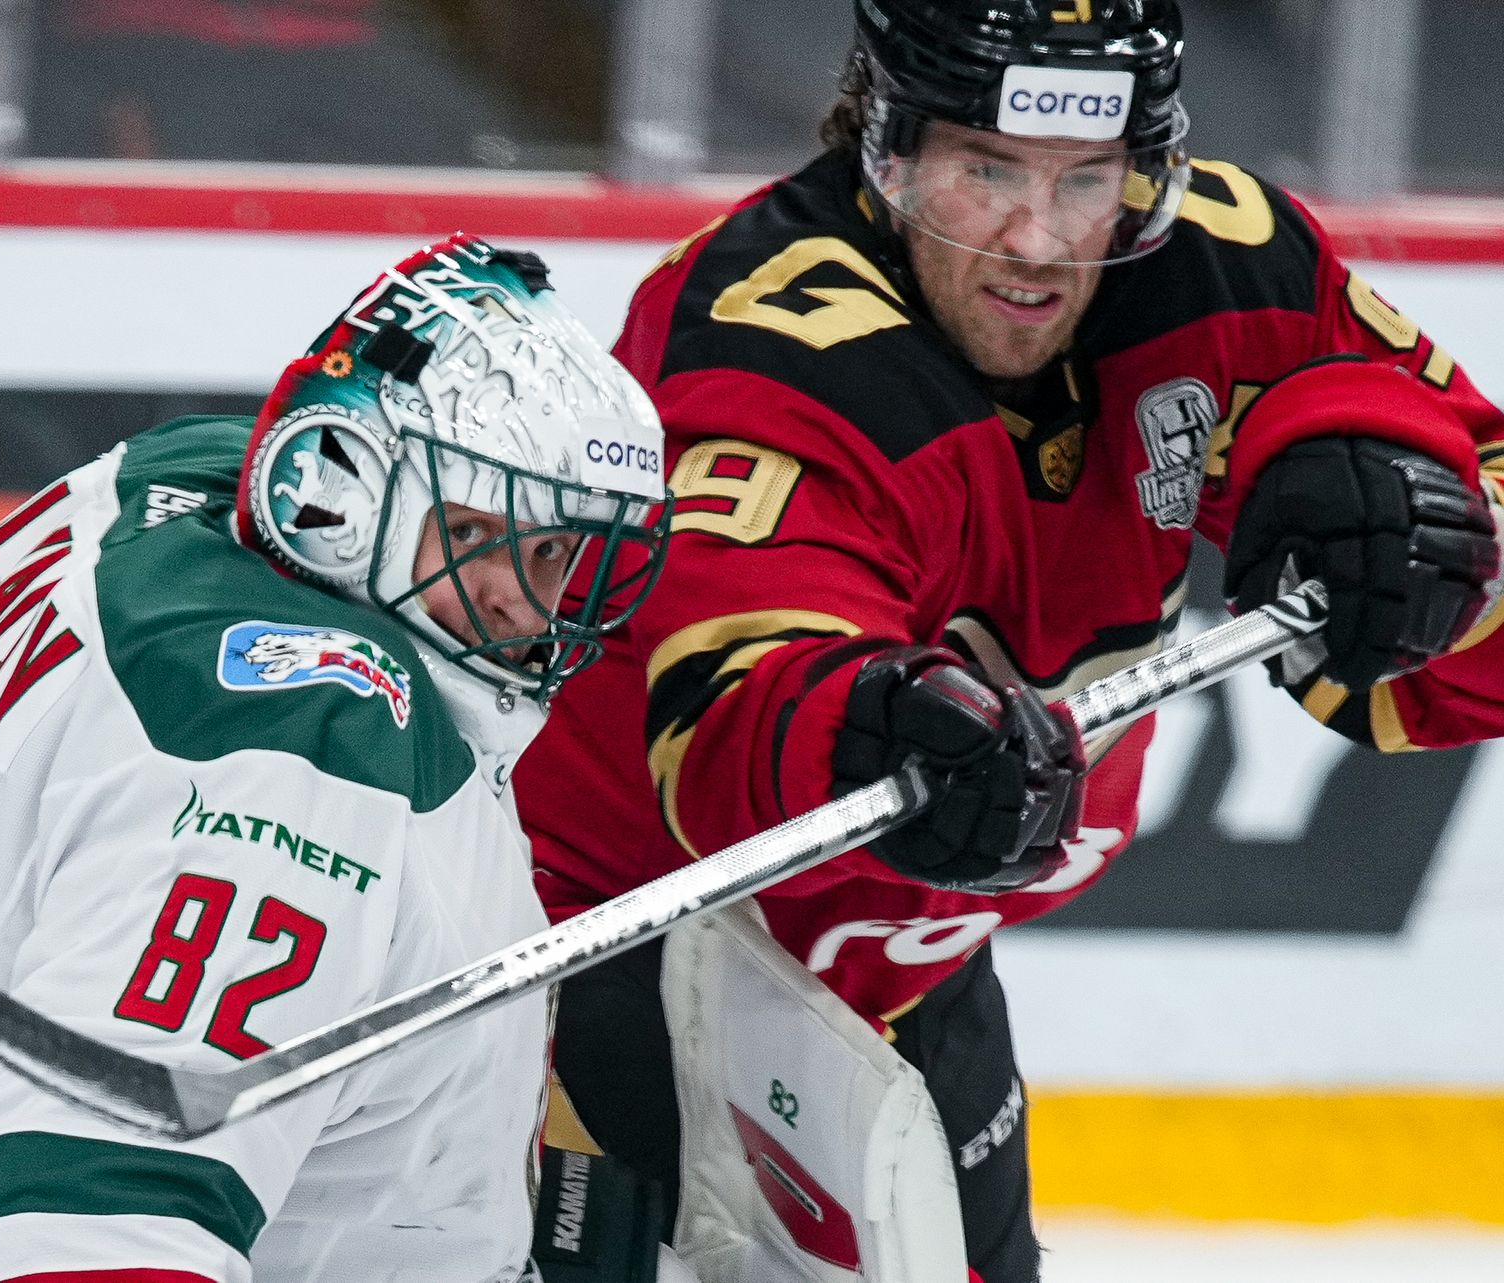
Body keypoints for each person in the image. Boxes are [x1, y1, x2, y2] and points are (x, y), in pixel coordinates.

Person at [514, 3, 1504, 1280]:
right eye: (986, 170)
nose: (1037, 241)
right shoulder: (784, 338)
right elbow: (732, 708)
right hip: (606, 953)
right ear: (888, 144)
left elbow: (1471, 503)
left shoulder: (1226, 267)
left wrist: (1435, 551)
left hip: (906, 976)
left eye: (1085, 179)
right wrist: (858, 721)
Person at [0, 235, 673, 1281]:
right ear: (340, 485)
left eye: (554, 551)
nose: (521, 599)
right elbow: (76, 1212)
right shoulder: (302, 748)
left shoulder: (162, 500)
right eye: (486, 536)